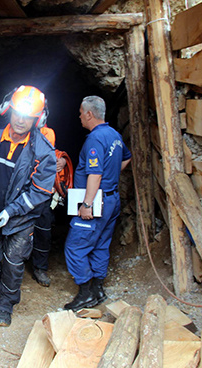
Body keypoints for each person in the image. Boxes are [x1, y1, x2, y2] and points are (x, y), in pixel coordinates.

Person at [0, 85, 56, 327]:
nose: (21, 121)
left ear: (38, 119)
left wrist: (11, 211)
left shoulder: (44, 151)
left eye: (28, 117)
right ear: (8, 109)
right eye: (17, 113)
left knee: (14, 264)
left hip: (20, 220)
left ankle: (6, 305)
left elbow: (40, 191)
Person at [63, 96, 131, 312]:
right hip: (112, 198)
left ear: (90, 114)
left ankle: (85, 294)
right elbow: (127, 157)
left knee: (75, 246)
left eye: (81, 112)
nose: (80, 116)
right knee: (101, 244)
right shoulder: (115, 135)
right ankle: (99, 289)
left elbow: (94, 173)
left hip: (97, 201)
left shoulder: (94, 139)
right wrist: (111, 177)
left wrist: (88, 204)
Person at [29, 126, 69, 287]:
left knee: (43, 234)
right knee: (17, 232)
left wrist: (64, 160)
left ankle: (40, 268)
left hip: (44, 199)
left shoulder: (50, 137)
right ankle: (12, 266)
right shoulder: (20, 140)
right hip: (21, 196)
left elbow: (57, 155)